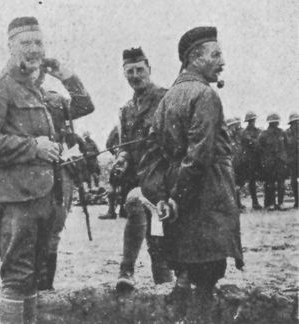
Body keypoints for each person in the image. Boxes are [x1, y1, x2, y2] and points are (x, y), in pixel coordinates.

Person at [0, 17, 94, 323]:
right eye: (26, 43)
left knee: (33, 279)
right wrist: (33, 147)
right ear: (10, 46)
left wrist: (68, 76)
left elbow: (83, 105)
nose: (34, 50)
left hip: (46, 199)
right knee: (16, 279)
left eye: (39, 43)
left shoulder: (38, 90)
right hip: (17, 201)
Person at [153, 27, 243, 322]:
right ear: (194, 57)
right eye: (216, 54)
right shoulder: (205, 95)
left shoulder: (167, 98)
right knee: (206, 277)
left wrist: (169, 196)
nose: (222, 61)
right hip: (206, 198)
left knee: (185, 271)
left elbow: (157, 156)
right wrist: (179, 197)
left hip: (180, 198)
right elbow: (199, 156)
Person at [103, 47, 172, 291]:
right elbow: (124, 147)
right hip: (137, 181)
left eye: (140, 70)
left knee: (158, 239)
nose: (135, 75)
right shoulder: (125, 110)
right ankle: (127, 272)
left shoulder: (167, 98)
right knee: (135, 205)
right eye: (129, 71)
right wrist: (121, 158)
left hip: (164, 180)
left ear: (149, 69)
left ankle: (161, 284)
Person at [38, 84, 95, 291]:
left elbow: (85, 105)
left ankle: (45, 287)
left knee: (54, 228)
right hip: (30, 170)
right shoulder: (14, 94)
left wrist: (67, 76)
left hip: (61, 170)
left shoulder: (56, 99)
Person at [259, 113, 288, 211]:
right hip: (270, 162)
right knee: (270, 183)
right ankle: (271, 204)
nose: (275, 124)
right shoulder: (264, 134)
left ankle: (280, 203)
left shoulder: (282, 133)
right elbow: (260, 149)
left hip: (279, 162)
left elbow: (287, 146)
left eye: (276, 122)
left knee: (280, 184)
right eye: (274, 122)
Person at [100, 126, 127, 219]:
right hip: (128, 159)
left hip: (121, 158)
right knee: (123, 185)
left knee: (114, 183)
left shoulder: (118, 127)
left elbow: (109, 144)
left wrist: (116, 152)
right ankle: (121, 210)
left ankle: (112, 211)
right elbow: (109, 144)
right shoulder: (118, 128)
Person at [241, 111, 263, 209]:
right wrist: (256, 142)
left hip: (258, 158)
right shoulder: (245, 132)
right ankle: (255, 202)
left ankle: (266, 202)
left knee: (261, 179)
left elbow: (260, 142)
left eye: (252, 120)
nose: (252, 122)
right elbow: (253, 142)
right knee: (252, 180)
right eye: (251, 121)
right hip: (250, 159)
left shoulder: (257, 131)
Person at [227, 117, 246, 209]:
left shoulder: (236, 136)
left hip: (237, 162)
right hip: (230, 163)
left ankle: (238, 203)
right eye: (233, 126)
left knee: (237, 184)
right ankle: (235, 204)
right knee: (232, 184)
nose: (235, 127)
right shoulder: (226, 137)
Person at [286, 113, 299, 208]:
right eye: (295, 122)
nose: (297, 124)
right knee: (293, 181)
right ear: (291, 123)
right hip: (292, 160)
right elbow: (286, 145)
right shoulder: (287, 133)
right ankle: (297, 201)